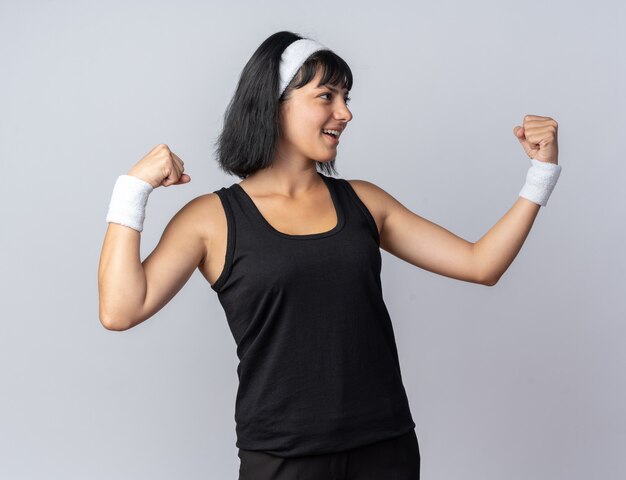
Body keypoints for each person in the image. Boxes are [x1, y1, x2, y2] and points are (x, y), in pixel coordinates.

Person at [98, 31, 562, 480]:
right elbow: (120, 310)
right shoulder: (211, 219)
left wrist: (540, 174)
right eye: (327, 96)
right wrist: (132, 189)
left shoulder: (364, 202)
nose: (345, 113)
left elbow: (481, 264)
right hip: (282, 458)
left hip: (385, 448)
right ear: (273, 105)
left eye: (347, 97)